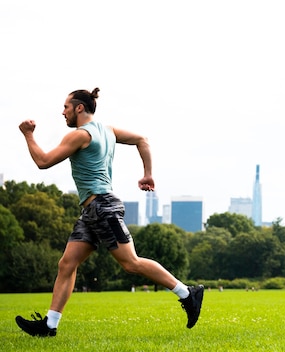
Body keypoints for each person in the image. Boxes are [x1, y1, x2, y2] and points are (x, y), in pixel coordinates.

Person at [15, 88, 204, 337]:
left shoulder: (80, 135)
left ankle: (187, 293)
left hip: (102, 208)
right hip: (91, 211)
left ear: (79, 108)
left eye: (66, 107)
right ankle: (50, 325)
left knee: (131, 263)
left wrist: (28, 134)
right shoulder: (108, 130)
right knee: (67, 264)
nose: (63, 112)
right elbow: (142, 140)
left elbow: (43, 161)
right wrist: (147, 173)